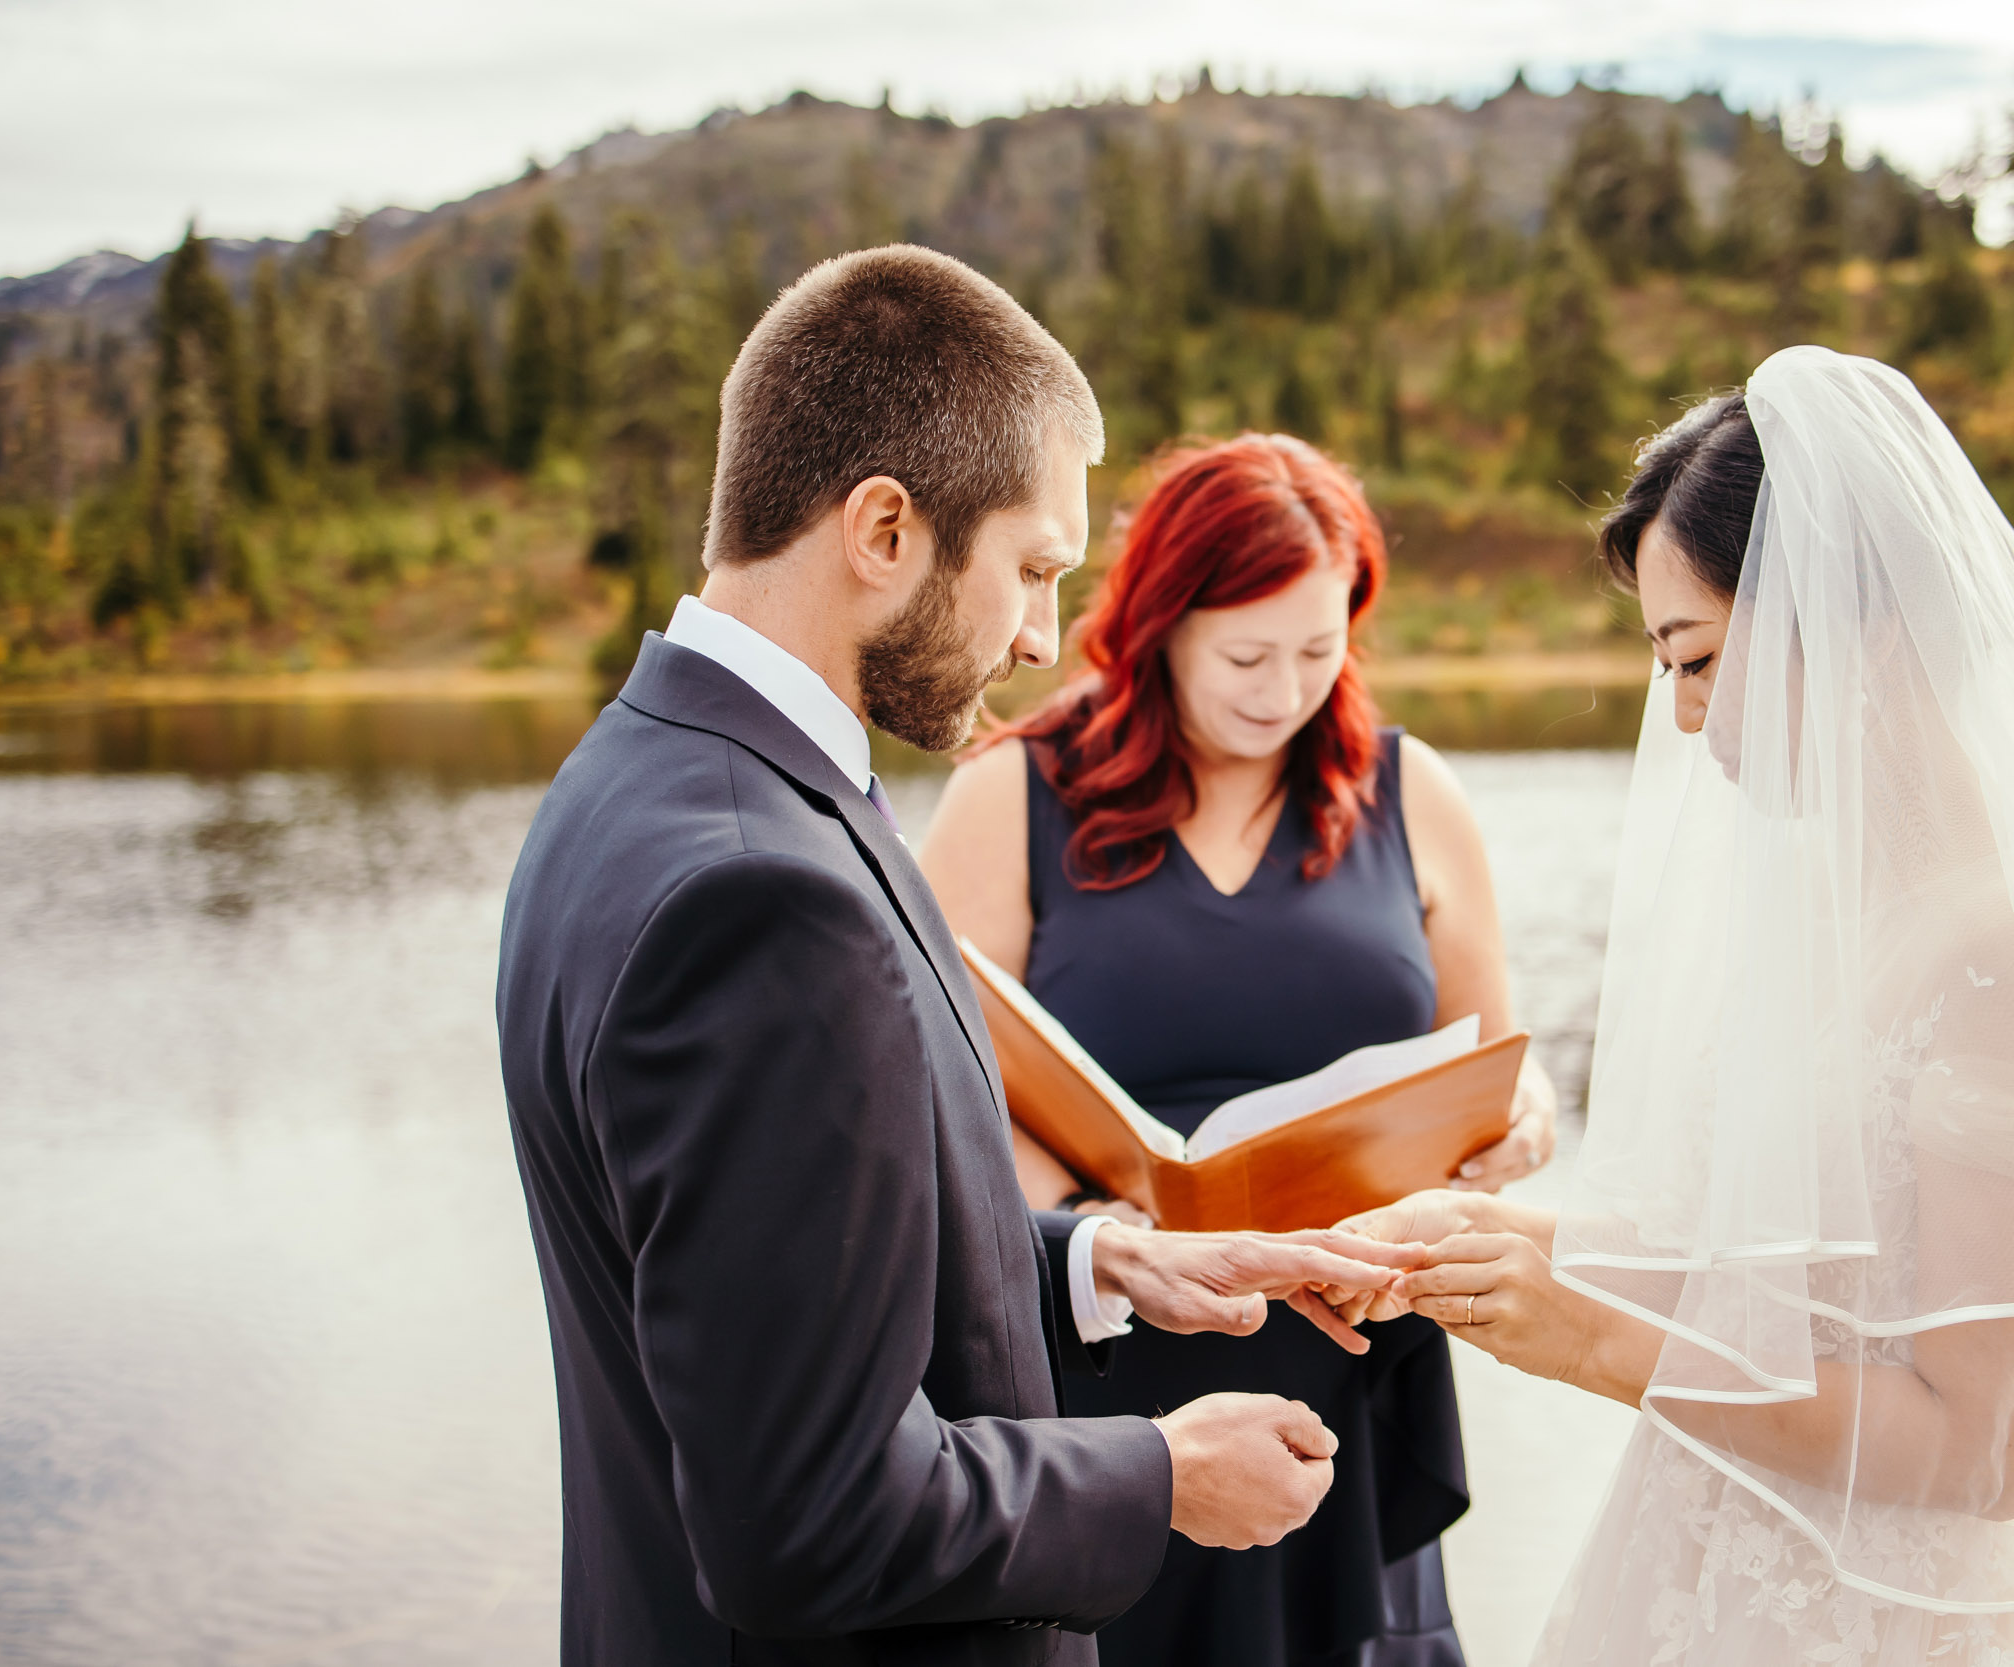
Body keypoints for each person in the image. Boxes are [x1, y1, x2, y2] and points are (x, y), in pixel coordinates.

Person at [495, 246, 1420, 1667]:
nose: (1049, 634)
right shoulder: (761, 898)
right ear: (884, 528)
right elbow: (808, 1515)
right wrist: (1162, 1472)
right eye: (1035, 566)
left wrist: (1101, 1263)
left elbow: (775, 1286)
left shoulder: (642, 778)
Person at [1341, 350, 2014, 1665]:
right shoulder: (1831, 912)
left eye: (1698, 657)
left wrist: (1587, 1338)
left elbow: (1991, 1446)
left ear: (1859, 620)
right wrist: (1501, 1232)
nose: (1683, 717)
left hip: (1898, 1617)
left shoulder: (2010, 953)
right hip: (1707, 1574)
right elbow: (1773, 1276)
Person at [920, 433, 1559, 1667]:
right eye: (1247, 654)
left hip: (1351, 1345)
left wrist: (1521, 1114)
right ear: (1158, 624)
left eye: (1319, 652)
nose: (1284, 690)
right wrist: (1107, 1226)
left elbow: (1488, 1045)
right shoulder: (1015, 790)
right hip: (1112, 1355)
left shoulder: (1409, 789)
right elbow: (947, 1084)